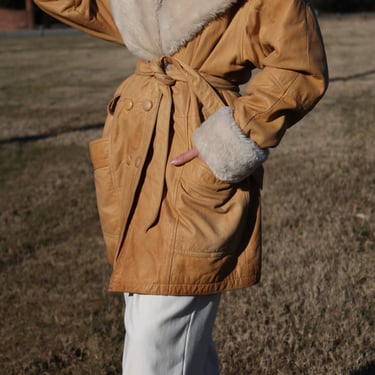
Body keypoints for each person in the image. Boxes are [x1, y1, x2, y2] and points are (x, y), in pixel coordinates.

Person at [33, 0, 328, 373]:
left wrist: (229, 139)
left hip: (199, 153)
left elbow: (301, 66)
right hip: (138, 155)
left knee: (154, 345)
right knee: (159, 328)